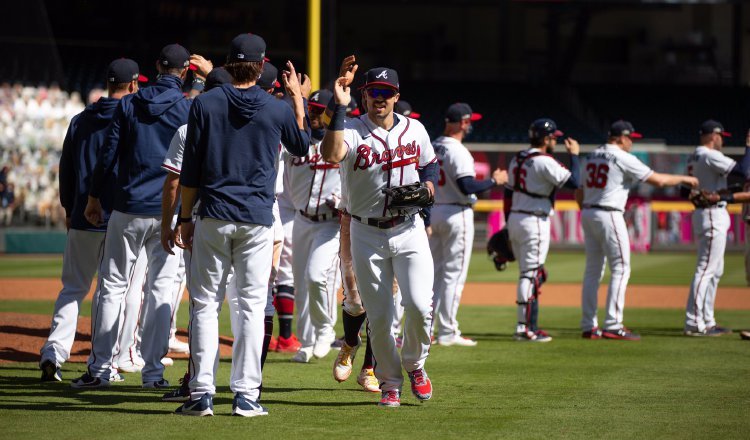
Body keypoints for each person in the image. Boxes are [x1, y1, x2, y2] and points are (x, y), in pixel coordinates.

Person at [174, 33, 310, 417]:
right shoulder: (276, 107)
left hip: (214, 214)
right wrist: (297, 97)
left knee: (204, 305)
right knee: (250, 307)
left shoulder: (206, 103)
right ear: (262, 63)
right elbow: (302, 146)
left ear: (228, 63)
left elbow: (191, 170)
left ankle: (201, 394)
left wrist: (185, 218)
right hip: (255, 220)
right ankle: (246, 396)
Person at [72, 44, 192, 389]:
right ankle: (153, 375)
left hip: (127, 207)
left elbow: (108, 155)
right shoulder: (187, 108)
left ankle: (99, 370)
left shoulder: (128, 103)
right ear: (184, 72)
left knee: (112, 287)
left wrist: (94, 198)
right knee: (160, 290)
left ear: (156, 66)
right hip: (168, 211)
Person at [321, 60, 438, 408]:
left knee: (419, 306)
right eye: (374, 92)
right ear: (364, 95)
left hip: (409, 228)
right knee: (381, 316)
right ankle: (390, 382)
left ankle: (416, 364)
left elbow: (429, 163)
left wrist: (429, 188)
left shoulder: (415, 130)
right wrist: (339, 107)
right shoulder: (352, 130)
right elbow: (330, 153)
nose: (380, 99)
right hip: (365, 232)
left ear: (396, 96)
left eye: (386, 93)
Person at [39, 59, 143, 382]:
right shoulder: (132, 118)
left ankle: (53, 355)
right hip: (117, 217)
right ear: (134, 85)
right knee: (114, 291)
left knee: (72, 289)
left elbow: (65, 168)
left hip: (83, 215)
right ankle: (109, 362)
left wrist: (69, 209)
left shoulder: (79, 120)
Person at [577, 121, 698, 340]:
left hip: (588, 211)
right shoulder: (622, 157)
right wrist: (685, 178)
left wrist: (587, 211)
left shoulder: (591, 155)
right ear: (621, 138)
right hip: (609, 212)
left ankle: (588, 325)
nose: (632, 142)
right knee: (621, 268)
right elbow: (659, 180)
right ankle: (613, 325)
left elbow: (579, 190)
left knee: (592, 271)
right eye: (631, 138)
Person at [430, 103, 507, 346]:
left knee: (434, 275)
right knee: (454, 275)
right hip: (457, 212)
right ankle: (448, 332)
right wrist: (494, 180)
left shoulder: (433, 145)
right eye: (468, 121)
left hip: (435, 211)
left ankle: (426, 328)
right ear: (463, 122)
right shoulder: (458, 150)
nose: (470, 124)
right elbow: (467, 186)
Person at [505, 118, 581, 342]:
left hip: (517, 218)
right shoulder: (544, 161)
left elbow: (508, 194)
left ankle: (530, 325)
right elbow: (575, 181)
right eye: (554, 138)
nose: (555, 141)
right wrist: (574, 154)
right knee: (530, 275)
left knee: (532, 273)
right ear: (546, 138)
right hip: (534, 220)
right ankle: (524, 328)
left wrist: (508, 224)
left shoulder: (518, 158)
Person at [285, 88, 342, 363]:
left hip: (329, 224)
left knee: (317, 276)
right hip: (301, 220)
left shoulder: (343, 143)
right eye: (313, 109)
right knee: (301, 285)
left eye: (321, 110)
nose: (316, 114)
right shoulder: (296, 142)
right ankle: (306, 342)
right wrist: (297, 98)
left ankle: (325, 331)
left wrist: (342, 199)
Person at [684, 120, 750, 336]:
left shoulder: (694, 155)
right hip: (712, 213)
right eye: (722, 136)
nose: (722, 140)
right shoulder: (708, 154)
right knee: (706, 269)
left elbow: (684, 190)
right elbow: (743, 170)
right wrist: (748, 147)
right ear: (714, 135)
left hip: (707, 211)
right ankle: (694, 322)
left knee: (715, 269)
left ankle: (708, 319)